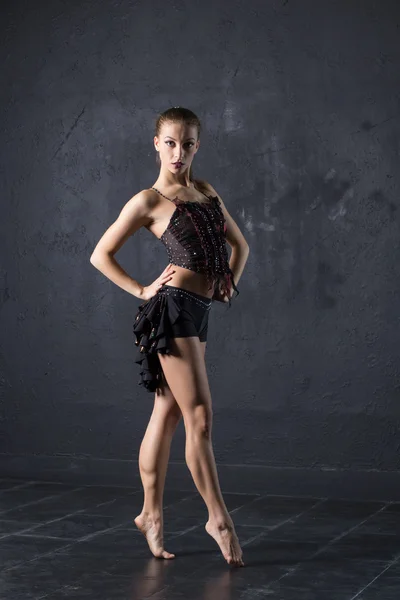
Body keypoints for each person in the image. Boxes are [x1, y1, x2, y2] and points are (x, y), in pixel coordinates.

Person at [90, 107, 250, 567]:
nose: (179, 152)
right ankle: (218, 519)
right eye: (171, 143)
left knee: (169, 411)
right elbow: (101, 255)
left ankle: (150, 514)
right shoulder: (148, 200)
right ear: (156, 144)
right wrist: (141, 289)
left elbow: (240, 245)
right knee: (199, 416)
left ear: (197, 145)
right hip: (174, 310)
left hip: (199, 311)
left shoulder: (206, 192)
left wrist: (226, 283)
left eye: (188, 143)